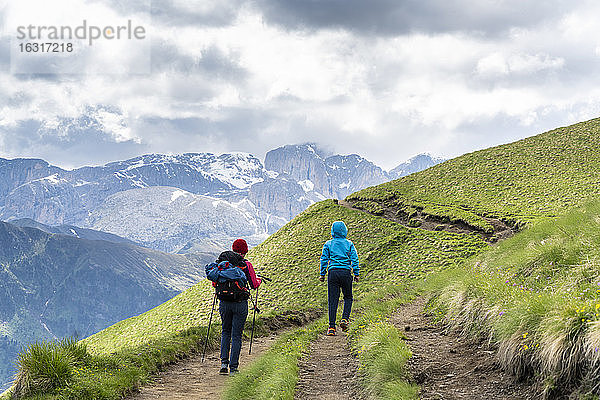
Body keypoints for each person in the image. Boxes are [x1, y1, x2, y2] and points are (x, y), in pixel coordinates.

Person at [206, 238, 261, 375]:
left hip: (224, 302)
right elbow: (254, 285)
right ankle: (234, 368)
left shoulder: (222, 265)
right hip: (240, 304)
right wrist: (259, 281)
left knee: (225, 331)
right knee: (236, 335)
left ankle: (223, 364)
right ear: (245, 251)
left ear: (233, 248)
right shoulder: (245, 264)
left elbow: (214, 283)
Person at [319, 221, 359, 336]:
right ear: (345, 231)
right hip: (346, 272)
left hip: (333, 273)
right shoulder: (349, 244)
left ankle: (331, 328)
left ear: (332, 231)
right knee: (348, 297)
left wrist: (322, 274)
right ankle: (345, 319)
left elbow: (324, 259)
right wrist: (356, 273)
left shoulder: (328, 244)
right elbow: (354, 259)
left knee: (333, 300)